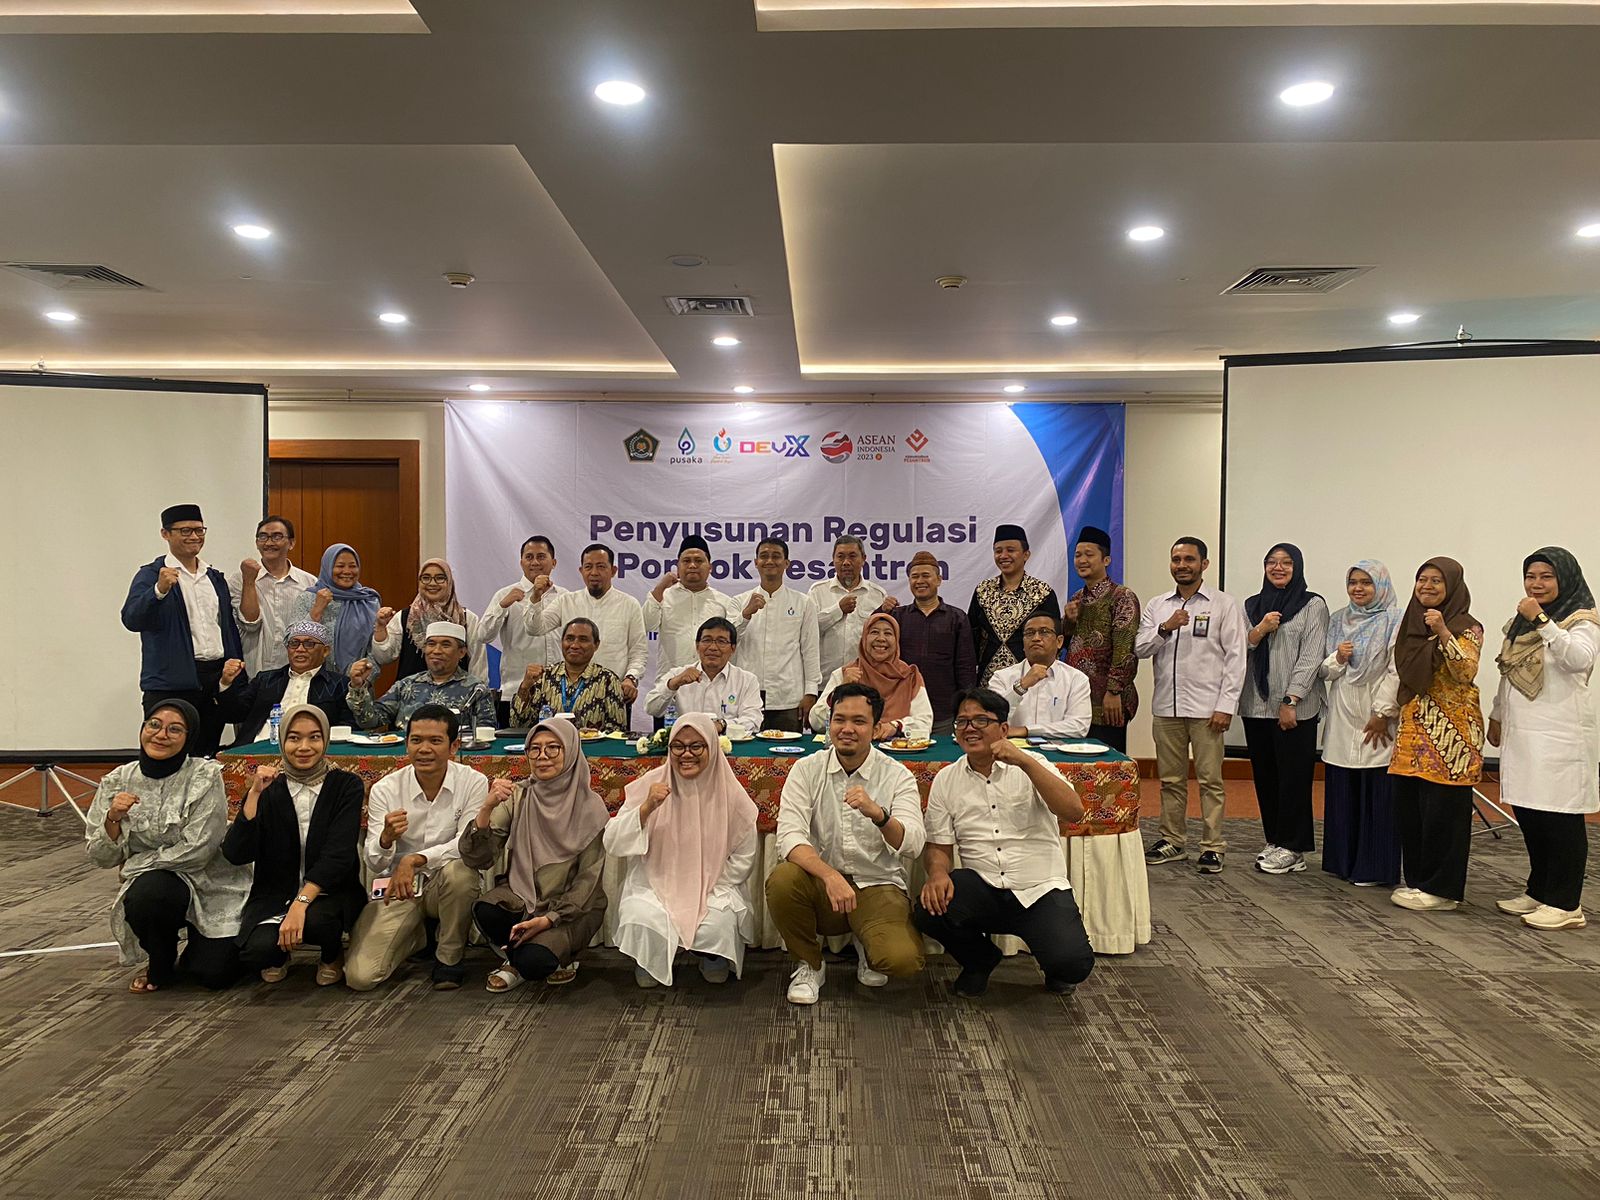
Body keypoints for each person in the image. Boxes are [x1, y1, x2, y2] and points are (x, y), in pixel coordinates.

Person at [914, 688, 1096, 997]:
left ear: (1003, 729)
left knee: (1072, 964)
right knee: (928, 906)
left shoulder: (1033, 764)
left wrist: (1025, 762)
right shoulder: (946, 779)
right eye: (962, 721)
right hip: (982, 885)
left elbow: (1073, 812)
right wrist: (937, 873)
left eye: (981, 720)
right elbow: (939, 846)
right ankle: (980, 961)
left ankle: (1056, 966)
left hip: (1039, 888)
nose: (970, 728)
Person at [767, 682, 926, 1005]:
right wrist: (829, 876)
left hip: (877, 883)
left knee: (902, 961)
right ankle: (810, 965)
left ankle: (867, 943)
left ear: (876, 728)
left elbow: (913, 844)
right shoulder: (806, 769)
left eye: (859, 721)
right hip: (822, 886)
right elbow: (790, 837)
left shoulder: (897, 775)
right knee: (782, 880)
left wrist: (879, 815)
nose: (847, 729)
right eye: (839, 719)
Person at [84, 699, 250, 992]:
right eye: (154, 725)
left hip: (212, 881)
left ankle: (199, 946)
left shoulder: (205, 776)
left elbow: (198, 851)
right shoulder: (118, 780)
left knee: (216, 975)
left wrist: (134, 864)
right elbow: (101, 857)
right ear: (143, 728)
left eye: (175, 729)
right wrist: (113, 818)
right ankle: (161, 960)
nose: (161, 735)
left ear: (189, 737)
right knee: (148, 895)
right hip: (161, 882)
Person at [1488, 548, 1598, 930]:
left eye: (1546, 576)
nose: (1536, 584)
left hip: (1560, 734)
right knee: (1531, 813)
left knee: (1561, 817)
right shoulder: (1520, 624)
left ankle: (1566, 904)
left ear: (1564, 579)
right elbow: (1509, 671)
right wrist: (1497, 715)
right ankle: (1539, 890)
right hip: (1523, 734)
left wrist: (1543, 621)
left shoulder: (1582, 619)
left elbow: (1578, 659)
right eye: (1531, 576)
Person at [606, 714, 759, 987]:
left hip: (713, 885)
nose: (686, 754)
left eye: (696, 746)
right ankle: (651, 957)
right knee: (641, 913)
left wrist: (702, 884)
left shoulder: (730, 793)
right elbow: (612, 842)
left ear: (712, 747)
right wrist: (646, 809)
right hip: (655, 881)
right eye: (678, 746)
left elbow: (744, 857)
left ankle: (711, 956)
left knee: (718, 920)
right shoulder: (652, 784)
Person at [1367, 558, 1485, 913]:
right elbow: (1400, 673)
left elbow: (1465, 671)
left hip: (1452, 739)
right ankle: (1419, 881)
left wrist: (1444, 632)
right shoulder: (1411, 624)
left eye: (1436, 581)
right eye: (1422, 579)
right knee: (1412, 812)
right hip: (1413, 734)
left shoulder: (1467, 626)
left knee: (1444, 816)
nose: (1427, 586)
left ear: (1452, 587)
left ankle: (1443, 890)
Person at [221, 704, 365, 986]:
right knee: (256, 953)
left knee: (318, 923)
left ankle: (331, 954)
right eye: (294, 738)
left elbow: (339, 855)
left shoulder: (346, 785)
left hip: (330, 892)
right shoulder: (269, 787)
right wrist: (254, 795)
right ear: (282, 741)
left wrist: (301, 903)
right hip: (276, 895)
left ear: (325, 740)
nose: (304, 747)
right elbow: (236, 853)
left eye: (314, 737)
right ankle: (282, 952)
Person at [346, 704, 488, 990]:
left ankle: (449, 958)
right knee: (360, 978)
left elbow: (466, 845)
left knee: (461, 874)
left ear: (453, 746)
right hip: (399, 888)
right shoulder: (386, 789)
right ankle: (418, 935)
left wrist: (414, 859)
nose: (424, 749)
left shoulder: (473, 782)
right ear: (406, 744)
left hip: (443, 882)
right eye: (416, 740)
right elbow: (374, 862)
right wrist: (386, 839)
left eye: (435, 741)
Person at [462, 719, 609, 992]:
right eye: (534, 748)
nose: (542, 756)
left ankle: (529, 959)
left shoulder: (591, 807)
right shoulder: (520, 795)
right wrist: (486, 809)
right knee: (487, 910)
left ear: (571, 751)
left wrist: (548, 919)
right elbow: (479, 858)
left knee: (535, 963)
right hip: (523, 894)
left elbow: (587, 883)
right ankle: (515, 957)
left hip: (569, 908)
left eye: (553, 748)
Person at [1134, 537, 1248, 874]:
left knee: (1211, 781)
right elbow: (1140, 648)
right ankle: (1172, 840)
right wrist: (1165, 628)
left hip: (1207, 709)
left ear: (1204, 564)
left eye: (1189, 559)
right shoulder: (1158, 605)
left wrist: (1226, 705)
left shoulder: (1224, 604)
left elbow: (1236, 658)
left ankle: (1212, 846)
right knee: (1170, 780)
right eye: (1176, 559)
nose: (1182, 565)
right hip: (1166, 707)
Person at [120, 503, 246, 757]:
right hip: (171, 681)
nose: (194, 536)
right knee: (167, 753)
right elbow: (131, 619)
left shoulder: (214, 577)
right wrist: (159, 591)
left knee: (207, 753)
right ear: (165, 534)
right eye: (185, 531)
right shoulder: (151, 575)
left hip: (214, 678)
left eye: (199, 530)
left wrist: (234, 665)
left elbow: (226, 627)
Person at [1241, 544, 1330, 876]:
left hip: (1294, 708)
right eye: (1271, 562)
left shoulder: (1312, 605)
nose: (1278, 568)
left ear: (1298, 567)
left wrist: (1291, 700)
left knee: (1294, 778)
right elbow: (1240, 646)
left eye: (1286, 563)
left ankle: (1294, 847)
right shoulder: (1252, 605)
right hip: (1256, 703)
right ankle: (1275, 839)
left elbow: (1311, 657)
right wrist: (1261, 629)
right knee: (1266, 777)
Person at [1318, 561, 1404, 887]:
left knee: (1377, 791)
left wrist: (1382, 713)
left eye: (1366, 582)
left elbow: (1397, 669)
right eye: (1353, 582)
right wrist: (1338, 657)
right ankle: (1343, 862)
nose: (1358, 588)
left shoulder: (1394, 619)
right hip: (1343, 711)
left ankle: (1374, 868)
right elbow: (1325, 671)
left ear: (1380, 585)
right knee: (1343, 786)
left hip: (1377, 712)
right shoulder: (1339, 619)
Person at [524, 543, 647, 706]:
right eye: (588, 567)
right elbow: (534, 629)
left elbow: (638, 651)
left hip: (613, 694)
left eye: (601, 566)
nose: (594, 572)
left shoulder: (629, 604)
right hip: (567, 695)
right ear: (581, 571)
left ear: (613, 571)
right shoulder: (566, 601)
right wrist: (536, 597)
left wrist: (631, 678)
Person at [1061, 525, 1141, 751]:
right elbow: (1066, 644)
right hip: (1078, 698)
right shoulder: (1077, 598)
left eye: (1089, 554)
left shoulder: (1122, 596)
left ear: (1106, 560)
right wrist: (1068, 622)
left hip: (1108, 700)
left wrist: (1114, 691)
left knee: (1107, 763)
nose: (1081, 560)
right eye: (1077, 555)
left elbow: (1125, 647)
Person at [879, 550, 977, 735]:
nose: (919, 581)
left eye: (926, 575)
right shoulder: (898, 616)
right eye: (914, 576)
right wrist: (881, 610)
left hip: (944, 712)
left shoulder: (957, 618)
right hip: (904, 713)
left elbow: (965, 667)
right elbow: (872, 644)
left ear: (939, 580)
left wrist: (966, 705)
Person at [733, 537, 821, 731]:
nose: (770, 561)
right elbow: (729, 642)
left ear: (786, 563)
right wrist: (745, 615)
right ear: (756, 562)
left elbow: (810, 650)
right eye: (764, 556)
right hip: (747, 697)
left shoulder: (803, 602)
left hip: (788, 698)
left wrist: (811, 692)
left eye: (776, 556)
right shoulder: (739, 602)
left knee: (788, 749)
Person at [217, 620, 351, 747]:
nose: (300, 649)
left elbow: (347, 728)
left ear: (325, 651)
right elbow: (234, 714)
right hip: (256, 748)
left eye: (309, 644)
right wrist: (225, 683)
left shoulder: (339, 684)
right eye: (294, 643)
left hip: (308, 752)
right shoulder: (265, 680)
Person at [476, 535, 566, 723]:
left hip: (560, 693)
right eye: (529, 557)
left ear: (554, 562)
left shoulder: (565, 597)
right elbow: (483, 635)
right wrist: (502, 606)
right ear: (521, 562)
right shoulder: (505, 595)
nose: (535, 562)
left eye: (541, 556)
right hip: (516, 692)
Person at [346, 621, 497, 732]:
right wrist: (358, 687)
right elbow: (369, 721)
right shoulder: (406, 685)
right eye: (431, 644)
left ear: (462, 652)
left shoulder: (476, 689)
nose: (436, 651)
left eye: (445, 645)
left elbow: (485, 734)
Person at [810, 612, 934, 740]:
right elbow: (816, 722)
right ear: (864, 638)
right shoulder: (845, 674)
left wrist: (896, 726)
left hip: (898, 748)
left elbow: (925, 724)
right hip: (853, 747)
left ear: (896, 640)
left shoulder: (909, 676)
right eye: (874, 632)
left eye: (888, 633)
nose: (881, 638)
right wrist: (841, 689)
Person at [367, 557, 488, 683]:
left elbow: (478, 664)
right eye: (426, 578)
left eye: (440, 578)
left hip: (457, 693)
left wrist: (477, 692)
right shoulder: (404, 617)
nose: (432, 583)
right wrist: (380, 627)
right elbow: (383, 657)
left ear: (449, 582)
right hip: (410, 694)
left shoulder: (467, 619)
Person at [969, 523, 1061, 687]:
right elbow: (971, 638)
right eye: (998, 551)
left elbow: (1052, 640)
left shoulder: (1042, 593)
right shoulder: (983, 591)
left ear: (1026, 555)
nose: (1003, 555)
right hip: (988, 681)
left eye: (1010, 550)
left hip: (1032, 680)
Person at [227, 515, 317, 676]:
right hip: (253, 671)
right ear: (257, 542)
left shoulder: (309, 583)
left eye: (277, 537)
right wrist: (249, 581)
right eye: (263, 537)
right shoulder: (239, 579)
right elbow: (250, 624)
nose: (269, 543)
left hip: (295, 672)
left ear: (291, 543)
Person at [644, 535, 744, 679]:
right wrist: (660, 588)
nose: (692, 565)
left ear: (710, 567)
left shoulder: (724, 602)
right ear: (678, 566)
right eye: (686, 561)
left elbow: (732, 642)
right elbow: (647, 625)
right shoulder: (664, 597)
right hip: (671, 682)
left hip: (712, 682)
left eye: (698, 561)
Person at [646, 616, 764, 738]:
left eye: (721, 641)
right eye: (707, 640)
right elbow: (651, 709)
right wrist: (672, 685)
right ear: (697, 646)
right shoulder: (678, 675)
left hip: (730, 744)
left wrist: (722, 725)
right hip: (688, 744)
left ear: (733, 648)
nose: (713, 647)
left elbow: (753, 720)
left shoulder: (747, 680)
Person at [509, 618, 629, 731]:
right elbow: (517, 725)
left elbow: (617, 731)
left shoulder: (608, 680)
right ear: (562, 642)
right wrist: (525, 687)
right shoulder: (544, 677)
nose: (575, 645)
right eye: (570, 639)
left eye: (583, 639)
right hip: (550, 745)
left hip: (591, 746)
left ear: (596, 645)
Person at [988, 615, 1093, 739]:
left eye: (1044, 632)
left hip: (1059, 749)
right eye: (1029, 633)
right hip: (1011, 748)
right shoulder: (1001, 677)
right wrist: (1021, 686)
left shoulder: (1076, 679)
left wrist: (1026, 731)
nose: (1036, 638)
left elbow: (1079, 727)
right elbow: (991, 719)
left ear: (1059, 641)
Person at [289, 543, 381, 677]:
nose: (347, 571)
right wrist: (316, 610)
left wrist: (362, 678)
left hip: (356, 682)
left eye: (352, 566)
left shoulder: (368, 601)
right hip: (314, 681)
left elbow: (376, 650)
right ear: (328, 567)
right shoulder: (308, 598)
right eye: (340, 566)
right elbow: (291, 641)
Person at [809, 535, 889, 679]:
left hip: (865, 680)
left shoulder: (878, 595)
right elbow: (808, 631)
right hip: (825, 681)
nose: (846, 562)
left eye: (852, 556)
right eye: (840, 557)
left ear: (863, 559)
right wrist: (838, 610)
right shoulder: (817, 591)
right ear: (833, 559)